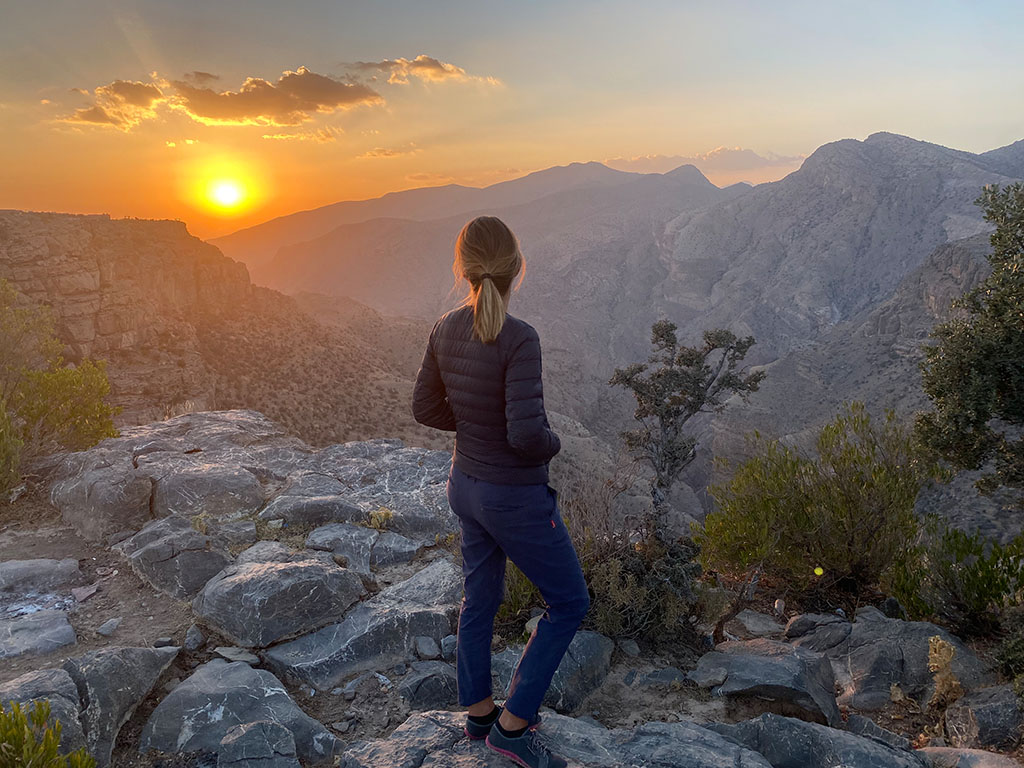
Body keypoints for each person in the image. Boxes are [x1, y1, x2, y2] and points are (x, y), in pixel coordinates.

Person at [412, 215, 590, 768]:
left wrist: (471, 426)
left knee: (480, 598)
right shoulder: (519, 339)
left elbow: (424, 407)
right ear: (517, 269)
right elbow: (527, 435)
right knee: (569, 601)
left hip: (464, 485)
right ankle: (513, 729)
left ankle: (480, 713)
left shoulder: (445, 327)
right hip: (511, 496)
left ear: (463, 269)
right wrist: (554, 443)